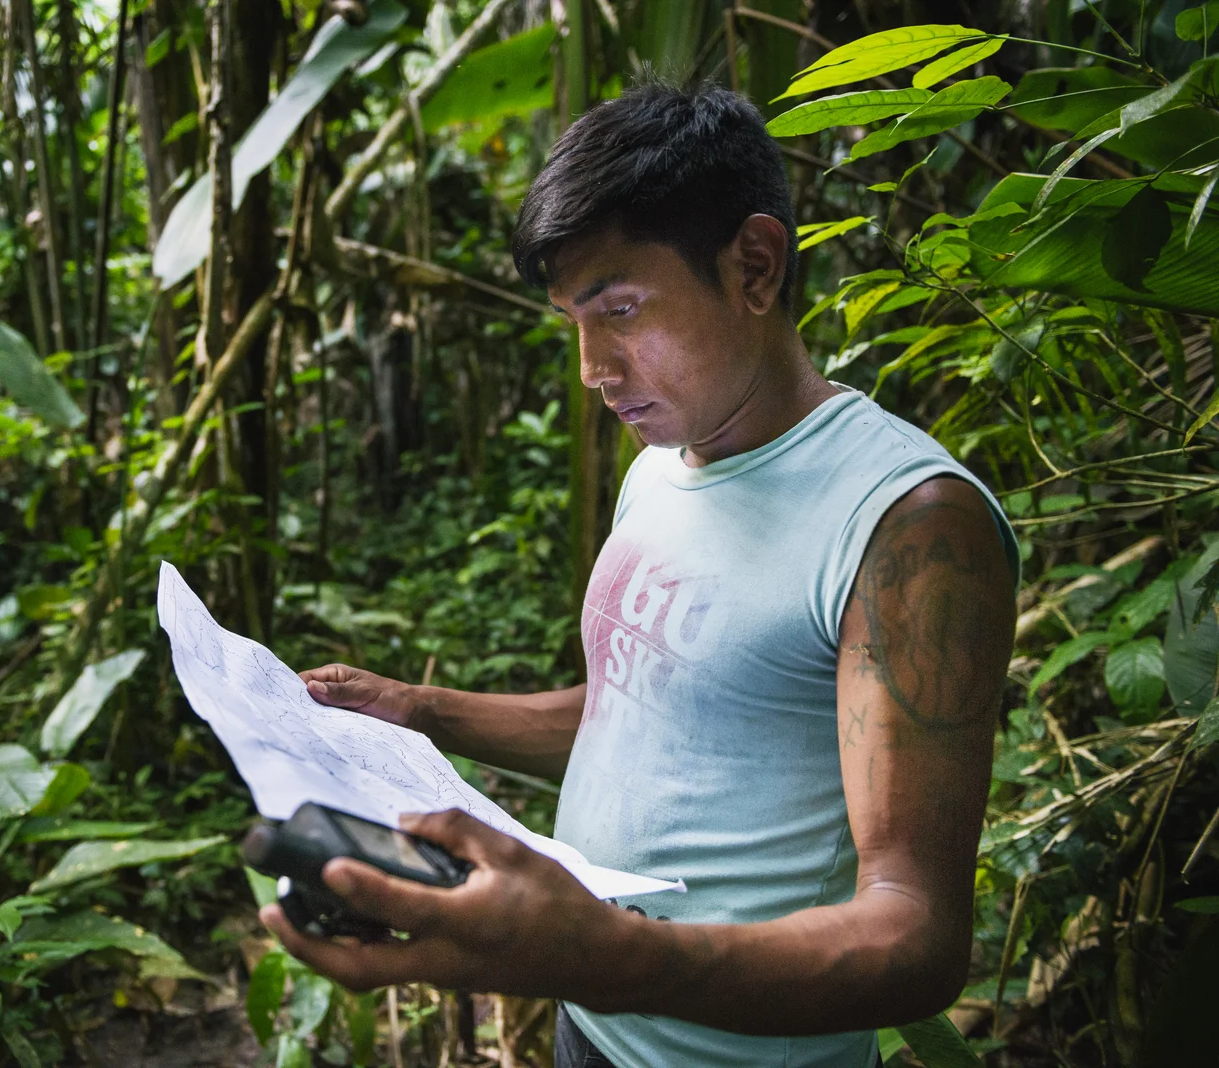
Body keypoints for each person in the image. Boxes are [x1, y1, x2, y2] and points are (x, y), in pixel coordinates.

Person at [261, 82, 1019, 1068]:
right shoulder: (663, 464)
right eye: (573, 319)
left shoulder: (908, 524)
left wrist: (612, 953)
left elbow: (913, 936)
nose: (591, 367)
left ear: (753, 265)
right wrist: (421, 709)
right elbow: (648, 711)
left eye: (619, 308)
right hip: (596, 1024)